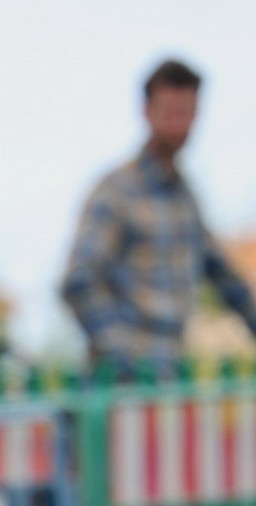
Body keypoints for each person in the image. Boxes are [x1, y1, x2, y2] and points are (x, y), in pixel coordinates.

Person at [62, 58, 256, 377]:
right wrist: (123, 353)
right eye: (170, 112)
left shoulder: (186, 199)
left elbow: (226, 278)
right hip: (121, 382)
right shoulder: (117, 191)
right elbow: (79, 281)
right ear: (147, 112)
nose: (179, 125)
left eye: (188, 113)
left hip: (169, 374)